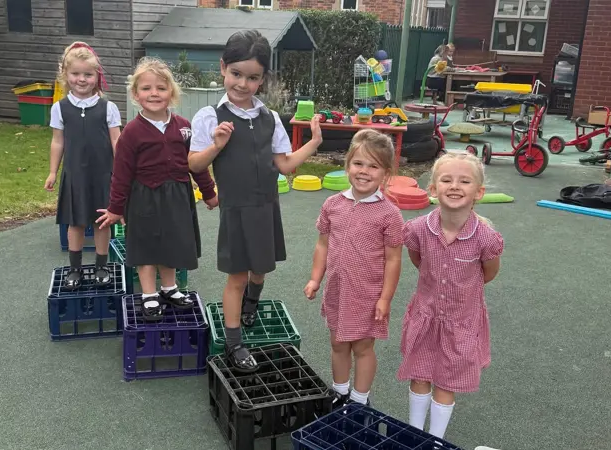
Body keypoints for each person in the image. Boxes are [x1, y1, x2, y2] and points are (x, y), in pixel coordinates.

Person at [189, 29, 323, 373]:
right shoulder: (209, 116)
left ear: (262, 79)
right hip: (235, 210)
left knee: (260, 269)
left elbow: (285, 164)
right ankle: (234, 343)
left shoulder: (270, 118)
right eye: (236, 74)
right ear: (223, 68)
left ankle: (252, 302)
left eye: (253, 77)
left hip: (266, 208)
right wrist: (216, 145)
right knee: (236, 276)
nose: (243, 84)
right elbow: (194, 165)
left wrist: (313, 143)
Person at [95, 57, 218, 320]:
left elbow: (196, 165)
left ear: (171, 93)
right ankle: (149, 294)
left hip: (178, 197)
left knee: (171, 243)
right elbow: (121, 173)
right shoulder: (131, 132)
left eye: (161, 88)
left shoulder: (184, 127)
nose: (154, 94)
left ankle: (169, 288)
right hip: (143, 199)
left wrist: (208, 193)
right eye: (146, 88)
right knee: (147, 246)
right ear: (136, 94)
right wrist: (116, 208)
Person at [398, 152, 504, 439]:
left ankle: (434, 440)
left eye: (464, 181)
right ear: (433, 189)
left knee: (445, 382)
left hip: (461, 322)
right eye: (446, 180)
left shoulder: (485, 237)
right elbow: (418, 260)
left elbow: (488, 273)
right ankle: (414, 435)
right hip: (426, 316)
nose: (455, 186)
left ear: (478, 192)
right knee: (420, 376)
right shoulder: (419, 229)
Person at [304, 129, 405, 408]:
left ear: (385, 173)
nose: (364, 171)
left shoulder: (389, 214)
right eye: (358, 163)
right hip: (338, 290)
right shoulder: (333, 204)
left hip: (367, 295)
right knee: (338, 343)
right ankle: (340, 392)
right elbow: (323, 244)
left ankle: (360, 400)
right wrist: (315, 279)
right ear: (347, 165)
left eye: (373, 166)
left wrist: (385, 299)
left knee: (362, 347)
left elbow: (393, 259)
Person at [45, 41, 122, 288]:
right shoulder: (60, 108)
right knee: (75, 222)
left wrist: (122, 173)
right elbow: (58, 142)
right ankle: (75, 270)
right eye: (75, 74)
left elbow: (116, 141)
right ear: (65, 76)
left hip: (103, 175)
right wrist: (52, 172)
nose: (81, 79)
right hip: (75, 175)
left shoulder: (108, 107)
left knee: (102, 221)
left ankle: (102, 267)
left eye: (88, 74)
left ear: (96, 76)